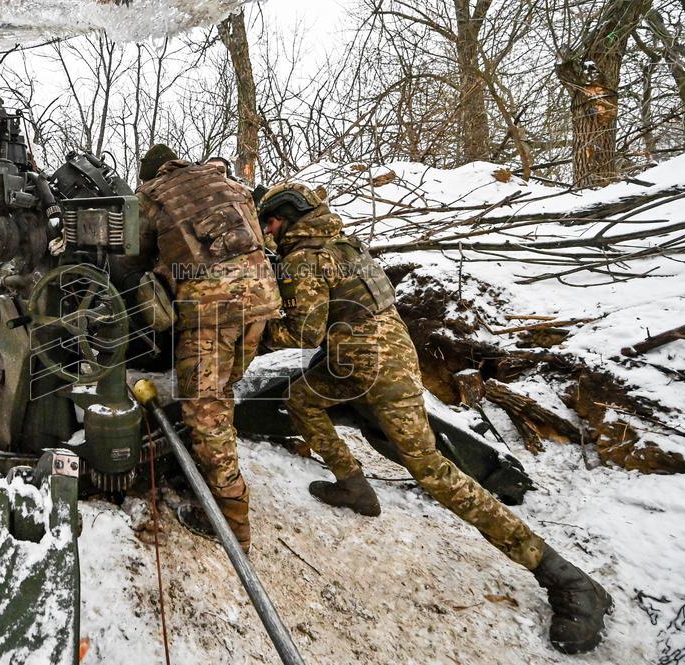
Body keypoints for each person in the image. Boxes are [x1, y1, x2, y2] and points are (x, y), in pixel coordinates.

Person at [256, 182, 613, 654]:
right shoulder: (341, 242)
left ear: (285, 216)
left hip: (370, 365)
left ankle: (568, 580)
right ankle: (353, 485)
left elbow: (301, 330)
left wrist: (250, 329)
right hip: (382, 352)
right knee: (303, 400)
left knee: (431, 469)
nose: (267, 231)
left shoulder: (306, 256)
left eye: (270, 222)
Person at [135, 144, 281, 552]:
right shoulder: (224, 181)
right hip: (261, 298)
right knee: (222, 393)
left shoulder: (151, 195)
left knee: (205, 408)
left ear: (149, 174)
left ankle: (230, 520)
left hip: (212, 307)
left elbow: (135, 256)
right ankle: (208, 466)